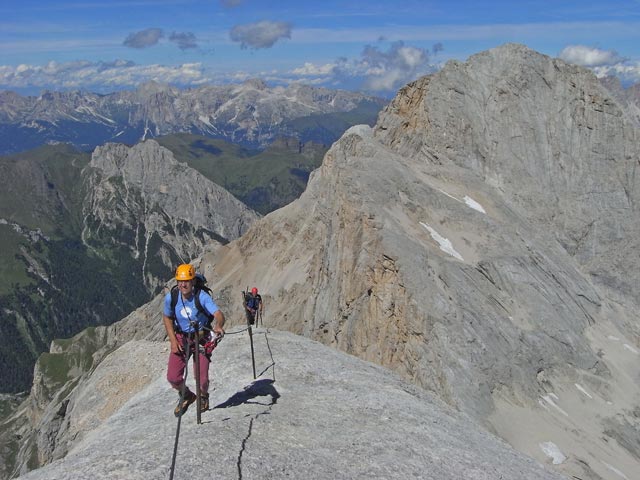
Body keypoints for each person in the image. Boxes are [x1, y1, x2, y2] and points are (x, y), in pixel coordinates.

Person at [163, 263, 225, 416]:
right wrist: (172, 340)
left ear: (193, 281)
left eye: (186, 281)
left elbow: (218, 314)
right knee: (173, 377)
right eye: (180, 281)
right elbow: (167, 317)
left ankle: (203, 395)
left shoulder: (201, 297)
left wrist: (218, 325)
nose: (183, 284)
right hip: (181, 338)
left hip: (201, 339)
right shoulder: (172, 297)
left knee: (202, 379)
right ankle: (187, 395)